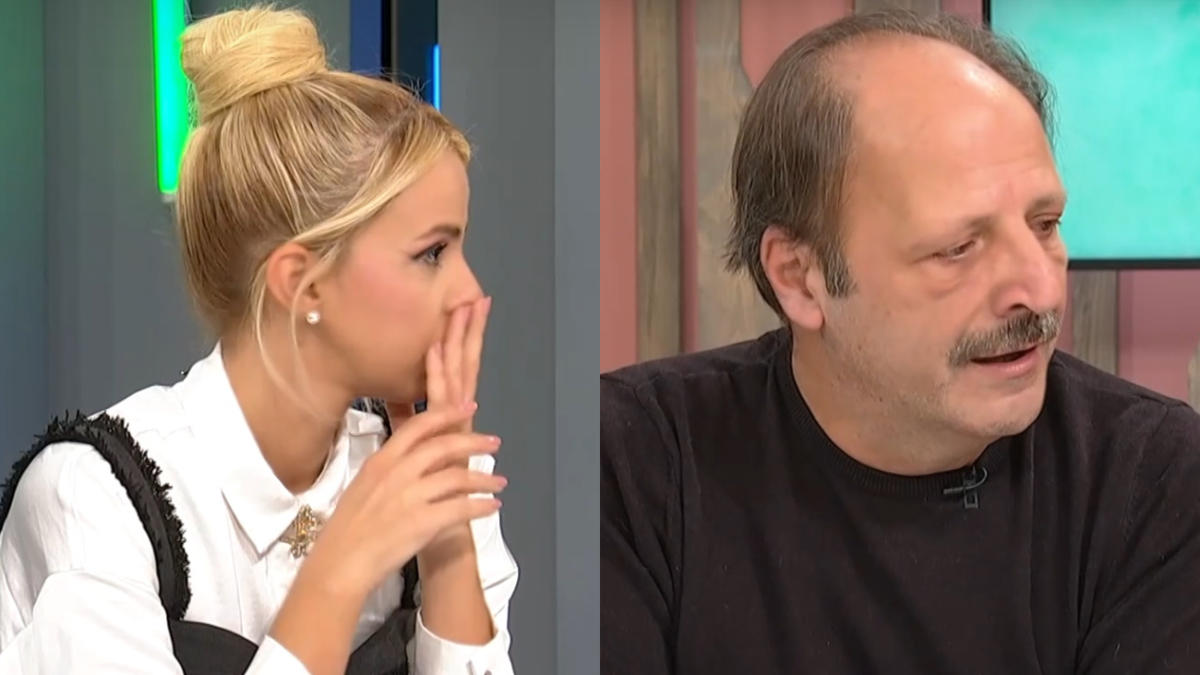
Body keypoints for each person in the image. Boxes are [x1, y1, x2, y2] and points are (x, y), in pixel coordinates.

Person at [601, 9, 1200, 675]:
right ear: (799, 277)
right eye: (958, 248)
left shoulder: (1152, 477)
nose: (1039, 289)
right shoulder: (631, 462)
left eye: (1045, 224)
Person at [0, 6, 518, 674]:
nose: (471, 293)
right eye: (432, 253)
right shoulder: (92, 497)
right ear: (302, 284)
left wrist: (447, 539)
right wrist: (339, 571)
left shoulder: (422, 473)